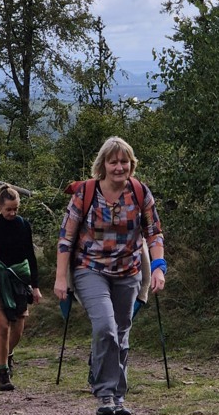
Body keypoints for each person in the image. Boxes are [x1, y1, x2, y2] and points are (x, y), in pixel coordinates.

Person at [53, 137, 166, 415]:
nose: (119, 167)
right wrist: (60, 277)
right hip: (90, 269)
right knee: (105, 328)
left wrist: (158, 267)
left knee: (121, 332)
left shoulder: (139, 192)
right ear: (102, 164)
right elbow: (66, 237)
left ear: (131, 164)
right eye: (113, 161)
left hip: (128, 271)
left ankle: (118, 397)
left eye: (124, 161)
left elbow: (154, 233)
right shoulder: (86, 192)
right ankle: (104, 395)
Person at [0, 184, 41, 391]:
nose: (12, 213)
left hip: (19, 278)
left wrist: (35, 286)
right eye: (8, 209)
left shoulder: (23, 225)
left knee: (18, 328)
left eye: (15, 209)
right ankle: (2, 372)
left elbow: (30, 256)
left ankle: (7, 354)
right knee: (2, 325)